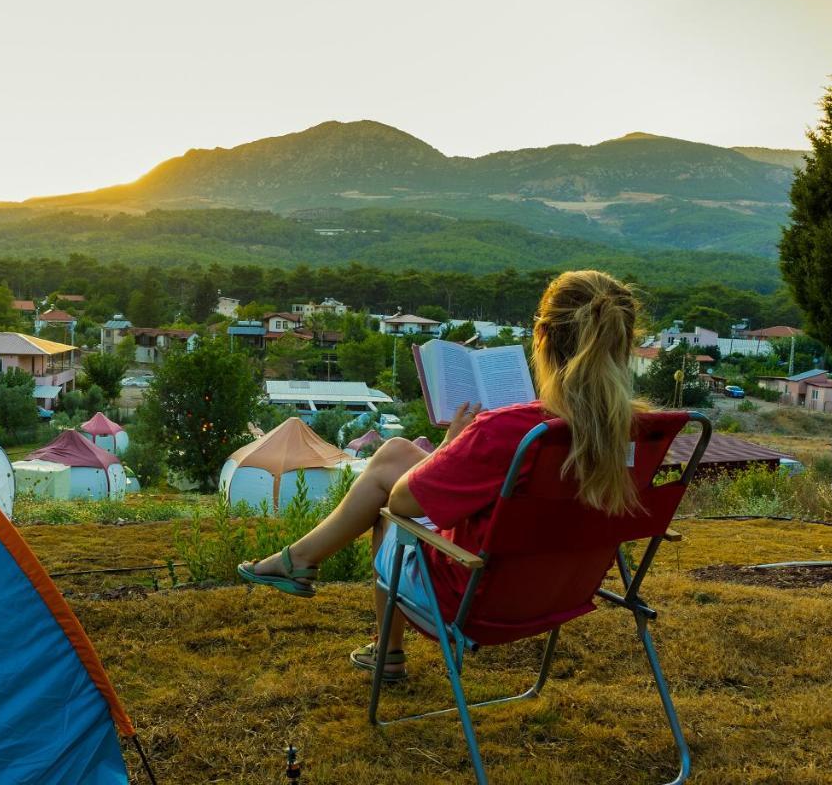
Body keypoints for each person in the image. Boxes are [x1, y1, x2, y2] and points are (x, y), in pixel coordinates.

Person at [237, 270, 642, 680]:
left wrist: (451, 446)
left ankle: (380, 644)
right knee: (395, 452)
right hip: (562, 588)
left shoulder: (513, 431)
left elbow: (402, 503)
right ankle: (301, 562)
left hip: (470, 596)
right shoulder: (638, 430)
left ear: (542, 339)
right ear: (623, 343)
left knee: (386, 508)